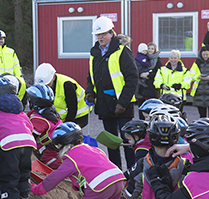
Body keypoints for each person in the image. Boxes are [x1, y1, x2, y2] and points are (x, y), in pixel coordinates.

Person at [30, 122, 125, 199]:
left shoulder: (71, 158)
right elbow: (93, 169)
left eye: (58, 145)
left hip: (99, 186)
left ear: (63, 144)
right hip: (118, 180)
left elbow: (54, 178)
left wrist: (37, 189)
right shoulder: (93, 149)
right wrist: (77, 185)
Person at [85, 16, 138, 170]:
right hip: (104, 104)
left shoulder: (122, 52)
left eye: (103, 34)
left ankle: (132, 174)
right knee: (111, 142)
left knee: (128, 141)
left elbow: (132, 78)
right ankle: (115, 173)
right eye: (98, 35)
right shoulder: (94, 53)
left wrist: (122, 103)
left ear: (111, 33)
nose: (100, 37)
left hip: (122, 105)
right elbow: (91, 77)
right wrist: (90, 92)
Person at [34, 63, 90, 128]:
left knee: (68, 134)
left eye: (47, 84)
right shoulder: (42, 84)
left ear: (53, 77)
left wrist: (65, 126)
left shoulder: (67, 84)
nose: (45, 87)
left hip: (80, 114)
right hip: (63, 116)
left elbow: (72, 109)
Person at [26, 83, 63, 169]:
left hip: (51, 157)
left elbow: (29, 139)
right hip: (59, 151)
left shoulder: (39, 120)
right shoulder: (51, 113)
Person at [137, 42, 163, 107]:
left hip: (152, 87)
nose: (150, 50)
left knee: (151, 108)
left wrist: (148, 75)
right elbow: (137, 69)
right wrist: (141, 74)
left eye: (152, 49)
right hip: (142, 88)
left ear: (155, 50)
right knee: (142, 108)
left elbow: (158, 74)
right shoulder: (142, 58)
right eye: (148, 48)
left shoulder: (158, 61)